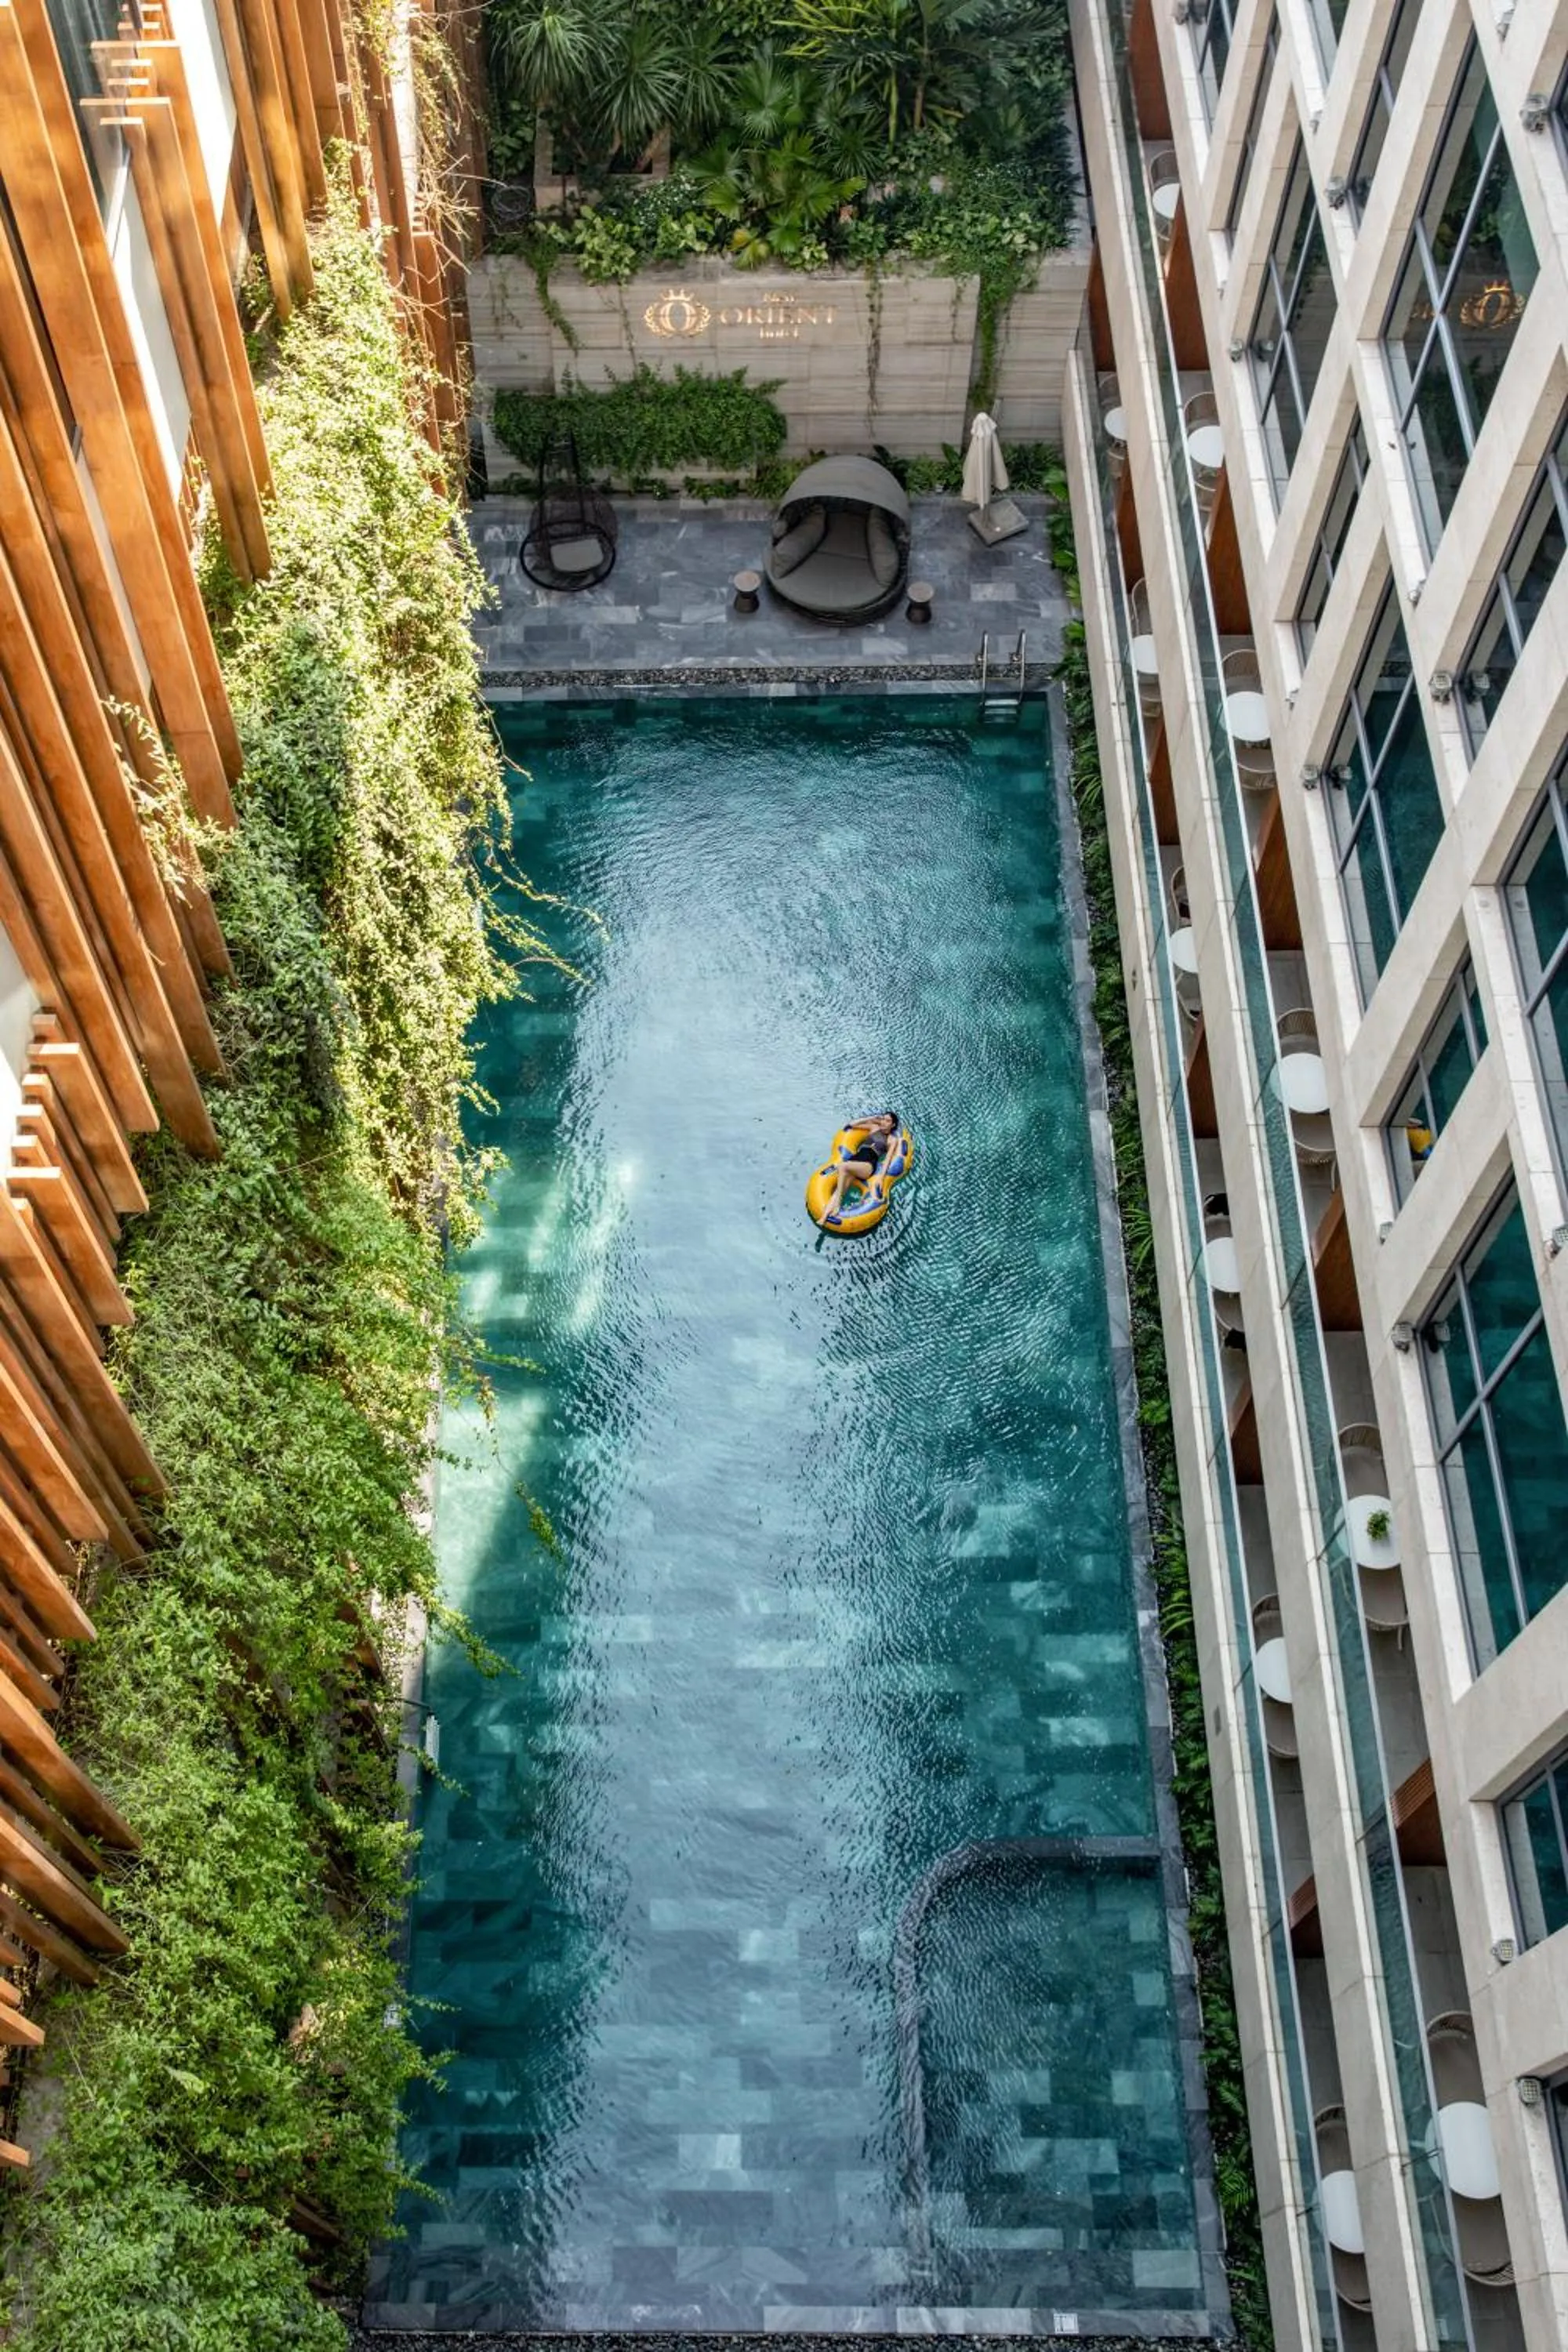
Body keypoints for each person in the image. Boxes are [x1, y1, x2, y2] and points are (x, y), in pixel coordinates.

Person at [820, 1111, 899, 1225]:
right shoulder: (874, 1127)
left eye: (888, 1121)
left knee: (842, 1166)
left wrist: (881, 1179)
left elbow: (887, 1160)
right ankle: (824, 1218)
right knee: (839, 1190)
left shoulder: (892, 1139)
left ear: (893, 1125)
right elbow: (852, 1124)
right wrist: (872, 1117)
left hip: (867, 1165)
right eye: (883, 1119)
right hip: (855, 1159)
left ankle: (837, 1205)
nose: (884, 1122)